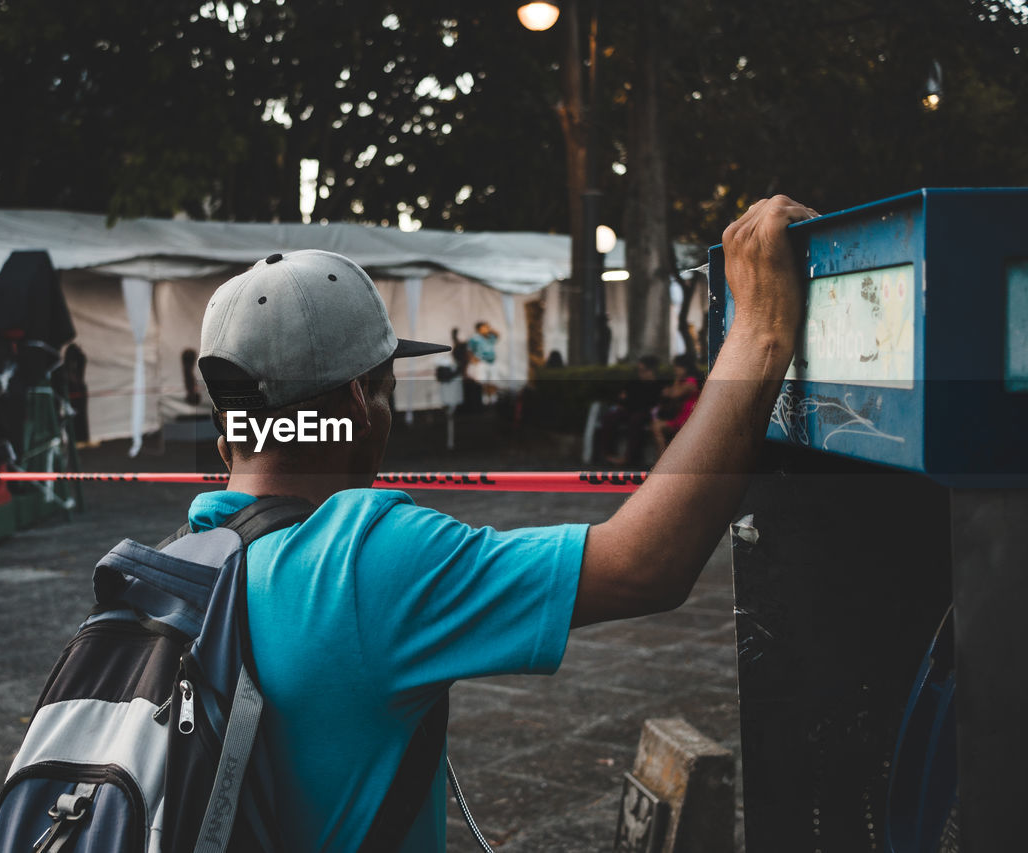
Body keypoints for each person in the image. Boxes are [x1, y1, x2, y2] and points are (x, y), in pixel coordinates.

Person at [190, 195, 815, 851]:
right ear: (358, 402)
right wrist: (761, 331)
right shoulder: (367, 562)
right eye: (386, 391)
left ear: (228, 430)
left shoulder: (182, 558)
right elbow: (645, 564)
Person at [599, 354, 664, 467]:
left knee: (636, 420)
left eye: (643, 371)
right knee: (610, 417)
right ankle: (606, 454)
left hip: (644, 412)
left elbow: (652, 403)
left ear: (651, 371)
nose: (640, 374)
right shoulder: (634, 382)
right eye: (639, 371)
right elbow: (623, 397)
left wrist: (630, 401)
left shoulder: (658, 385)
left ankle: (628, 458)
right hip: (629, 409)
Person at [651, 353, 703, 457]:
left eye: (677, 368)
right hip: (681, 416)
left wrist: (676, 381)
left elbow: (674, 394)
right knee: (656, 425)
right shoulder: (685, 381)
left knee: (657, 427)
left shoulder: (691, 381)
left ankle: (662, 459)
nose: (675, 371)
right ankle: (663, 457)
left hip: (688, 418)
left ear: (684, 367)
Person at [467, 320, 499, 404]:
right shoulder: (475, 338)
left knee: (493, 380)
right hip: (482, 362)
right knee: (482, 381)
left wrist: (490, 329)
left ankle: (493, 398)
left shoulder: (490, 336)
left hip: (492, 361)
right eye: (484, 327)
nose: (487, 328)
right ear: (479, 328)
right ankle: (483, 399)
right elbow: (469, 349)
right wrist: (472, 359)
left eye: (487, 327)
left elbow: (498, 335)